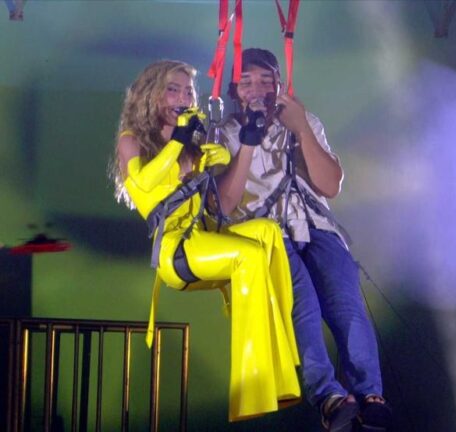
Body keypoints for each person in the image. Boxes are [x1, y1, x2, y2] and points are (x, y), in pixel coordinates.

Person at [109, 59, 301, 422]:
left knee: (268, 233)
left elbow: (221, 192)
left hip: (204, 236)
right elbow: (146, 186)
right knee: (247, 256)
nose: (183, 97)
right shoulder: (131, 141)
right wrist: (178, 141)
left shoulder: (192, 144)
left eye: (188, 90)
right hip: (175, 252)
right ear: (151, 94)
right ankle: (251, 390)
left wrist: (234, 147)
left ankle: (280, 360)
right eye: (173, 88)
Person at [216, 48, 392, 431]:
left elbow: (330, 184)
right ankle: (327, 395)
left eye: (266, 80)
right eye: (247, 82)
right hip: (266, 232)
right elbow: (226, 202)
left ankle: (369, 393)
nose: (258, 89)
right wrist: (249, 138)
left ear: (280, 84)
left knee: (348, 307)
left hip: (315, 225)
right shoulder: (224, 132)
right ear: (235, 89)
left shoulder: (303, 121)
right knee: (305, 308)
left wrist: (300, 128)